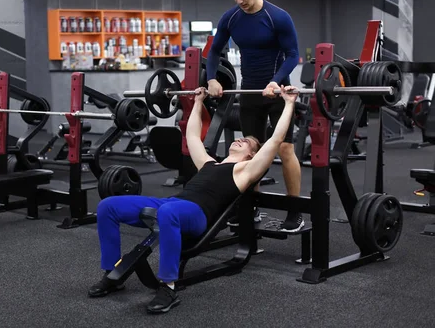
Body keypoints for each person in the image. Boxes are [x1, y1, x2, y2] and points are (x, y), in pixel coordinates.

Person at [88, 85, 298, 314]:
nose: (240, 140)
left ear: (252, 154)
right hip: (171, 203)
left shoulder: (245, 170)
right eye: (239, 138)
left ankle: (167, 286)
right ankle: (112, 274)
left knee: (168, 213)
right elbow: (192, 136)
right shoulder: (208, 163)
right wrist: (198, 103)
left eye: (246, 142)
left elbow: (276, 140)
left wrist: (288, 103)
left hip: (196, 215)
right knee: (107, 206)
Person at [205, 0, 304, 232]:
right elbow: (214, 52)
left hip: (277, 92)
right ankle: (251, 207)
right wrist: (212, 79)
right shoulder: (231, 18)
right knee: (251, 152)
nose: (240, 0)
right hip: (249, 92)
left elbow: (293, 54)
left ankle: (294, 211)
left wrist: (277, 80)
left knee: (284, 149)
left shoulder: (277, 17)